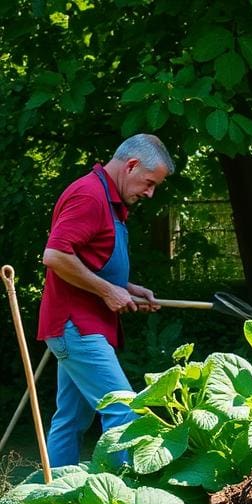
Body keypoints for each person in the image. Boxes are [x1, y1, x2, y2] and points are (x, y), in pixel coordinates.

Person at [37, 134, 175, 467]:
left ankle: (51, 503)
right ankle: (121, 500)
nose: (150, 192)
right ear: (130, 165)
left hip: (82, 325)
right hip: (77, 326)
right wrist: (107, 291)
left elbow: (88, 260)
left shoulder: (107, 198)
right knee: (125, 410)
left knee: (69, 420)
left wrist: (126, 288)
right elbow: (55, 255)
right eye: (149, 182)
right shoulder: (90, 195)